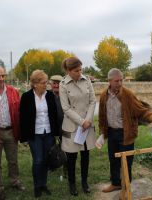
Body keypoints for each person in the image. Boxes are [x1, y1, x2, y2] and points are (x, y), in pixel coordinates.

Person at [98, 68, 152, 193]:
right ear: (109, 81)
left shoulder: (127, 94)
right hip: (112, 133)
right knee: (113, 160)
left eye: (121, 80)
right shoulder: (103, 96)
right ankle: (116, 183)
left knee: (127, 162)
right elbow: (101, 116)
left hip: (126, 133)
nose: (120, 83)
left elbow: (141, 110)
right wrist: (102, 133)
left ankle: (127, 186)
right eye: (117, 81)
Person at [0, 66, 25, 200]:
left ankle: (14, 181)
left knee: (13, 160)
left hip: (10, 131)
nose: (1, 79)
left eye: (3, 75)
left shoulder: (13, 91)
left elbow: (18, 111)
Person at [59, 57, 96, 196]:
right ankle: (72, 184)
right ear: (68, 71)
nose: (79, 73)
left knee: (85, 155)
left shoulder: (86, 81)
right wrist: (81, 122)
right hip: (72, 126)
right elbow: (66, 108)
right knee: (71, 158)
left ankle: (84, 182)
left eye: (81, 69)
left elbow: (93, 101)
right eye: (76, 70)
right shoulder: (63, 84)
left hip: (87, 124)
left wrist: (87, 120)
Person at [20, 70, 59, 197]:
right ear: (35, 84)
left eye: (46, 82)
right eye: (43, 83)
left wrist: (56, 133)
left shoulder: (50, 95)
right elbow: (23, 118)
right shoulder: (26, 97)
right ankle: (37, 186)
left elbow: (54, 116)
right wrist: (24, 138)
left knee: (47, 159)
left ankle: (44, 185)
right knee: (38, 160)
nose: (46, 85)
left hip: (48, 132)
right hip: (35, 134)